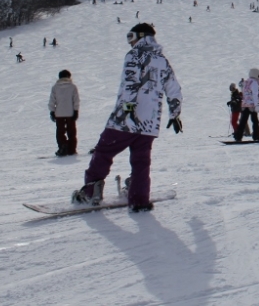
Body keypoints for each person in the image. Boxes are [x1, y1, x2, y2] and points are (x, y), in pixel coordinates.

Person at [72, 24, 182, 212]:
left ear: (141, 36)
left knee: (104, 151)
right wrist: (175, 113)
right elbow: (174, 88)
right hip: (149, 123)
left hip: (127, 118)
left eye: (131, 36)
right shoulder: (162, 60)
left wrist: (128, 109)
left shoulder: (134, 55)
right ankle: (139, 199)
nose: (130, 41)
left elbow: (129, 83)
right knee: (141, 160)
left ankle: (91, 192)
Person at [49, 69, 80, 156]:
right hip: (70, 113)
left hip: (59, 113)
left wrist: (52, 111)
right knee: (71, 132)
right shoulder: (73, 87)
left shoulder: (55, 87)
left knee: (60, 132)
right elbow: (76, 100)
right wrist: (76, 111)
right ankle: (71, 149)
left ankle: (63, 146)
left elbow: (52, 101)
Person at [235, 69, 259, 141]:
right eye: (258, 75)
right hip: (252, 105)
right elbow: (255, 94)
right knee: (255, 121)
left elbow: (243, 91)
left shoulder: (246, 82)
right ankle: (256, 135)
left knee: (243, 121)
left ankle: (238, 136)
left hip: (245, 104)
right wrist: (256, 105)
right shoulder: (254, 82)